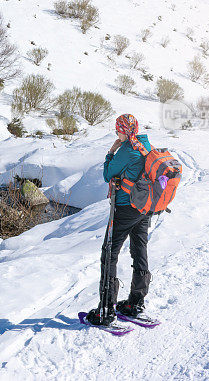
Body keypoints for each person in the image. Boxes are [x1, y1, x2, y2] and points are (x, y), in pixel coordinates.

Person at [87, 113, 153, 325]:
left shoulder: (126, 150)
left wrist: (111, 152)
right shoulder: (145, 145)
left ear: (123, 130)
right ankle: (135, 303)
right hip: (144, 208)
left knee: (109, 253)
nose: (117, 133)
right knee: (139, 251)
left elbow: (107, 174)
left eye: (118, 130)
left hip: (125, 209)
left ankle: (106, 310)